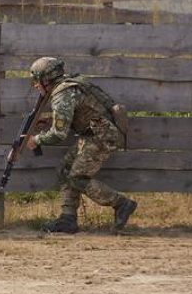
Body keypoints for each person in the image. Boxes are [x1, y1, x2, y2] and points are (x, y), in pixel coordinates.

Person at [23, 57, 137, 233]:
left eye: (36, 81)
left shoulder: (62, 93)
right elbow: (77, 112)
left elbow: (59, 134)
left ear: (46, 79)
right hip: (94, 133)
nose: (35, 85)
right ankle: (68, 219)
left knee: (77, 178)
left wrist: (36, 140)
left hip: (101, 136)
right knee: (65, 169)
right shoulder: (69, 85)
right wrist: (51, 119)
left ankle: (121, 203)